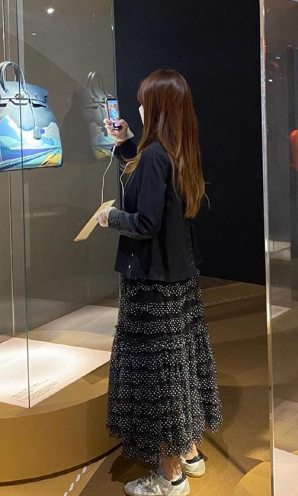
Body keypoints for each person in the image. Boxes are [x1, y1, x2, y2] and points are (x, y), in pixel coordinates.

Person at [96, 68, 222, 496]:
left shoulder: (154, 155)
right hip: (178, 277)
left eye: (143, 101)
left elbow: (145, 221)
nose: (138, 107)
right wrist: (125, 144)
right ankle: (190, 453)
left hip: (151, 283)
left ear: (156, 107)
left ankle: (170, 477)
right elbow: (156, 195)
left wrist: (110, 216)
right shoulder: (180, 151)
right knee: (180, 367)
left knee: (157, 380)